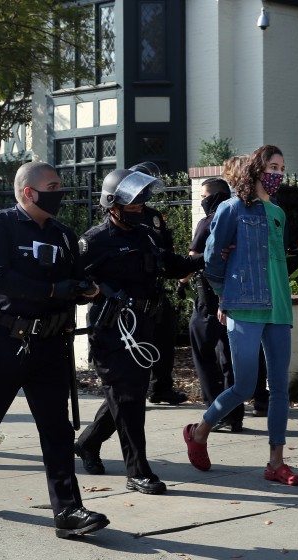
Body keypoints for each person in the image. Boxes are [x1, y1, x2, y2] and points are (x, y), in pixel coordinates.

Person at [0, 162, 109, 540]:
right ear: (28, 192)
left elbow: (77, 276)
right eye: (52, 185)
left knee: (57, 429)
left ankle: (67, 511)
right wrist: (55, 290)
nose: (59, 192)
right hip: (2, 341)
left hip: (49, 343)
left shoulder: (63, 235)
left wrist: (87, 287)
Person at [73, 168, 203, 494]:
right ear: (111, 205)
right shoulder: (94, 241)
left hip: (144, 328)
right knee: (128, 398)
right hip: (111, 331)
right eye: (131, 205)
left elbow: (170, 265)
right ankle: (138, 471)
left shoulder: (146, 234)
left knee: (125, 397)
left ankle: (87, 443)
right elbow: (74, 283)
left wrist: (206, 259)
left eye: (141, 204)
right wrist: (95, 290)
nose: (139, 209)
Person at [182, 145, 298, 486]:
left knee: (280, 387)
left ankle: (276, 461)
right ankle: (200, 431)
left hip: (279, 306)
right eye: (272, 166)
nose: (278, 173)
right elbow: (212, 259)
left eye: (282, 167)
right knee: (244, 385)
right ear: (256, 169)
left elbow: (276, 262)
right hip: (245, 305)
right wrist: (225, 296)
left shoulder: (278, 212)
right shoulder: (232, 208)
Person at [183, 176, 245, 431]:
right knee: (229, 357)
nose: (202, 200)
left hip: (209, 301)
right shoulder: (241, 220)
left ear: (215, 197)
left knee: (204, 355)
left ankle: (215, 412)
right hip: (236, 299)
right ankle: (234, 415)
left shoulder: (209, 222)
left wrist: (181, 275)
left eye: (204, 195)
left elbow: (192, 258)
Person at [128, 161, 188, 406]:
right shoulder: (121, 211)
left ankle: (162, 388)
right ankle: (135, 388)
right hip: (133, 290)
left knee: (164, 336)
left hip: (156, 286)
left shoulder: (152, 216)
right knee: (139, 341)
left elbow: (166, 246)